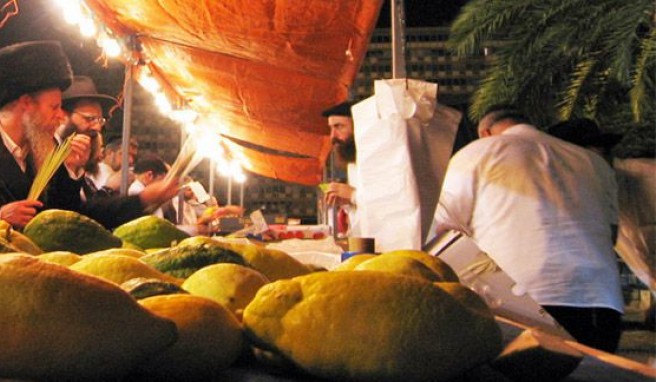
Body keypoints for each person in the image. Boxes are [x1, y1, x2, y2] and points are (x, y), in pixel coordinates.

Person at [433, 105, 624, 352]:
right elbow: (611, 235)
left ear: (486, 132)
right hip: (601, 299)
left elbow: (444, 229)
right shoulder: (593, 162)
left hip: (525, 299)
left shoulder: (478, 152)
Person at [57, 75, 178, 229]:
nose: (97, 128)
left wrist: (144, 199)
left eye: (100, 120)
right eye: (89, 119)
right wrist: (141, 198)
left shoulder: (80, 169)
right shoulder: (45, 161)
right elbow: (66, 215)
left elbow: (87, 214)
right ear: (62, 117)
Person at [0, 40, 92, 228]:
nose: (61, 116)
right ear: (26, 103)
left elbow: (62, 218)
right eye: (54, 107)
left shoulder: (46, 151)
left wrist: (72, 168)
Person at [321, 100, 360, 237]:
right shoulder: (353, 162)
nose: (333, 136)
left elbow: (393, 202)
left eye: (339, 127)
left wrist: (352, 195)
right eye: (331, 129)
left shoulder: (380, 156)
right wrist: (348, 202)